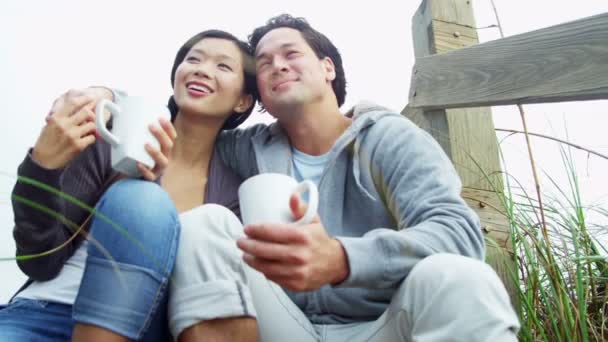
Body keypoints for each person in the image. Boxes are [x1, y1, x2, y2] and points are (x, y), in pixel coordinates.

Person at [167, 14, 522, 341]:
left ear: (328, 68)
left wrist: (342, 259)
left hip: (383, 325)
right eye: (263, 62)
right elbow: (186, 129)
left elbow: (457, 234)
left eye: (290, 53)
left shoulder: (388, 137)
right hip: (283, 322)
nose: (277, 65)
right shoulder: (248, 148)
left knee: (460, 278)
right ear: (256, 92)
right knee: (204, 225)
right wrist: (110, 97)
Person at [0, 29, 257, 342]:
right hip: (46, 311)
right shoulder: (113, 140)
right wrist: (42, 168)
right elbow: (39, 260)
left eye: (223, 66)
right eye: (193, 59)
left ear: (243, 100)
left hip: (148, 327)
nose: (202, 69)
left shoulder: (234, 198)